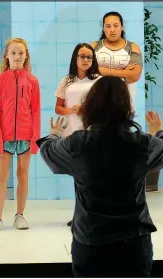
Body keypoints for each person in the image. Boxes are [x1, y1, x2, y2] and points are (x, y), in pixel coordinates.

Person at [36, 76, 163, 277]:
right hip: (134, 242)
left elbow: (49, 153)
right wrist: (159, 131)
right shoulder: (142, 143)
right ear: (126, 107)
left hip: (90, 242)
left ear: (91, 105)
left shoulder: (78, 144)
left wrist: (54, 134)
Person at [0, 38, 41, 232]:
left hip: (25, 137)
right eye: (13, 53)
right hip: (4, 138)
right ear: (7, 55)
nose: (17, 56)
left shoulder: (32, 81)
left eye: (21, 53)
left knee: (23, 175)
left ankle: (19, 216)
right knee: (1, 177)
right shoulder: (0, 81)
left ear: (26, 55)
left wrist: (34, 141)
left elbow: (36, 112)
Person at [54, 43, 101, 227]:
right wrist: (70, 110)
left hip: (93, 134)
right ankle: (79, 215)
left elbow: (103, 106)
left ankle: (94, 214)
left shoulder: (98, 80)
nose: (85, 60)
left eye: (89, 57)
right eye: (82, 56)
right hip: (72, 133)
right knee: (78, 176)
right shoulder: (67, 80)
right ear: (75, 58)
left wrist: (87, 110)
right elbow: (58, 108)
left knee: (93, 176)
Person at [90, 11, 143, 109]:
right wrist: (124, 72)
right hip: (97, 104)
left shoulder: (133, 47)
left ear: (122, 27)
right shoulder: (94, 46)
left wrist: (102, 70)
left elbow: (135, 76)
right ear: (103, 28)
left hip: (124, 105)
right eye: (108, 26)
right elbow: (87, 71)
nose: (112, 30)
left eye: (116, 25)